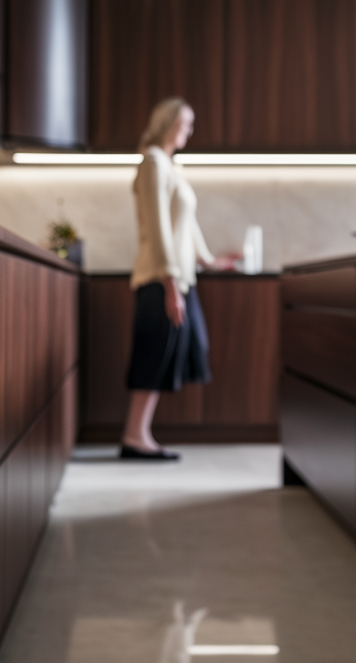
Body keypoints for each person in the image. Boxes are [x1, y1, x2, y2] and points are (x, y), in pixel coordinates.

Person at [121, 97, 231, 460]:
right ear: (167, 124)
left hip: (178, 279)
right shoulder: (153, 163)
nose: (189, 130)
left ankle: (138, 434)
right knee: (155, 355)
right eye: (185, 123)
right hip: (160, 278)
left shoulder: (168, 166)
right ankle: (135, 437)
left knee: (180, 351)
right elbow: (159, 228)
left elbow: (187, 226)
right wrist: (170, 285)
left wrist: (211, 262)